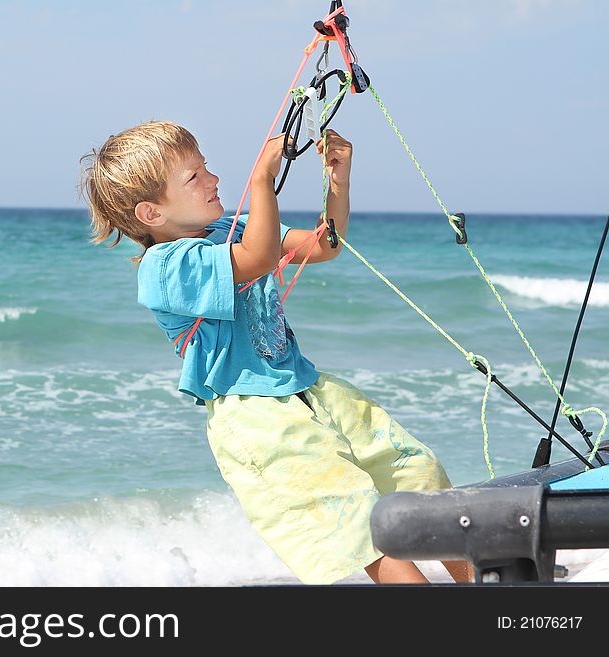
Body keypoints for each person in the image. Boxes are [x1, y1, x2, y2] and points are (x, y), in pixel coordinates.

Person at [80, 120, 470, 584]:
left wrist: (336, 180)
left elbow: (323, 246)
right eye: (194, 176)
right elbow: (258, 257)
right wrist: (262, 179)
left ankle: (485, 584)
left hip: (307, 388)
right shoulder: (166, 269)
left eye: (208, 168)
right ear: (150, 214)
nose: (214, 179)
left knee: (417, 475)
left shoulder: (229, 227)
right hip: (256, 416)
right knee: (358, 522)